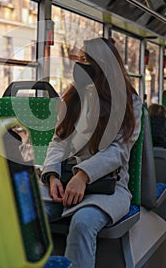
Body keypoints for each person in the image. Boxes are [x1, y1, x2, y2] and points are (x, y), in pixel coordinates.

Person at [40, 37, 142, 268]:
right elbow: (58, 141)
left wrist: (83, 175)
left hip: (108, 186)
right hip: (65, 181)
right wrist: (53, 175)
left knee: (83, 222)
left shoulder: (129, 101)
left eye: (86, 60)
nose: (80, 65)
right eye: (80, 59)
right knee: (28, 214)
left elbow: (119, 151)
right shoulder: (73, 97)